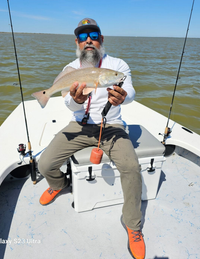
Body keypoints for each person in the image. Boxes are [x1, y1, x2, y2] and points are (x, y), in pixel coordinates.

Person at [38, 18, 145, 259]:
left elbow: (130, 90)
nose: (89, 40)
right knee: (44, 164)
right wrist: (74, 100)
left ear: (101, 40)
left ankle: (133, 226)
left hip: (111, 127)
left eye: (94, 34)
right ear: (77, 42)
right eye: (83, 36)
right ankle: (59, 185)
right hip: (80, 124)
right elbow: (67, 101)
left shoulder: (117, 65)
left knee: (131, 167)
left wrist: (123, 96)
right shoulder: (70, 69)